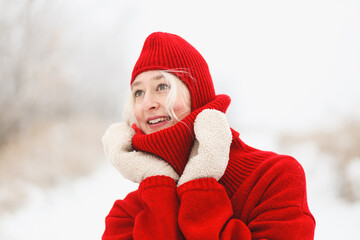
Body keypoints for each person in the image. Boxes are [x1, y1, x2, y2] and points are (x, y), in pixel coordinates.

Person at [101, 32, 315, 239]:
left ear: (197, 95)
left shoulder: (274, 178)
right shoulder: (127, 214)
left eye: (162, 86)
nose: (148, 103)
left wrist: (199, 184)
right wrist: (159, 187)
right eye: (139, 92)